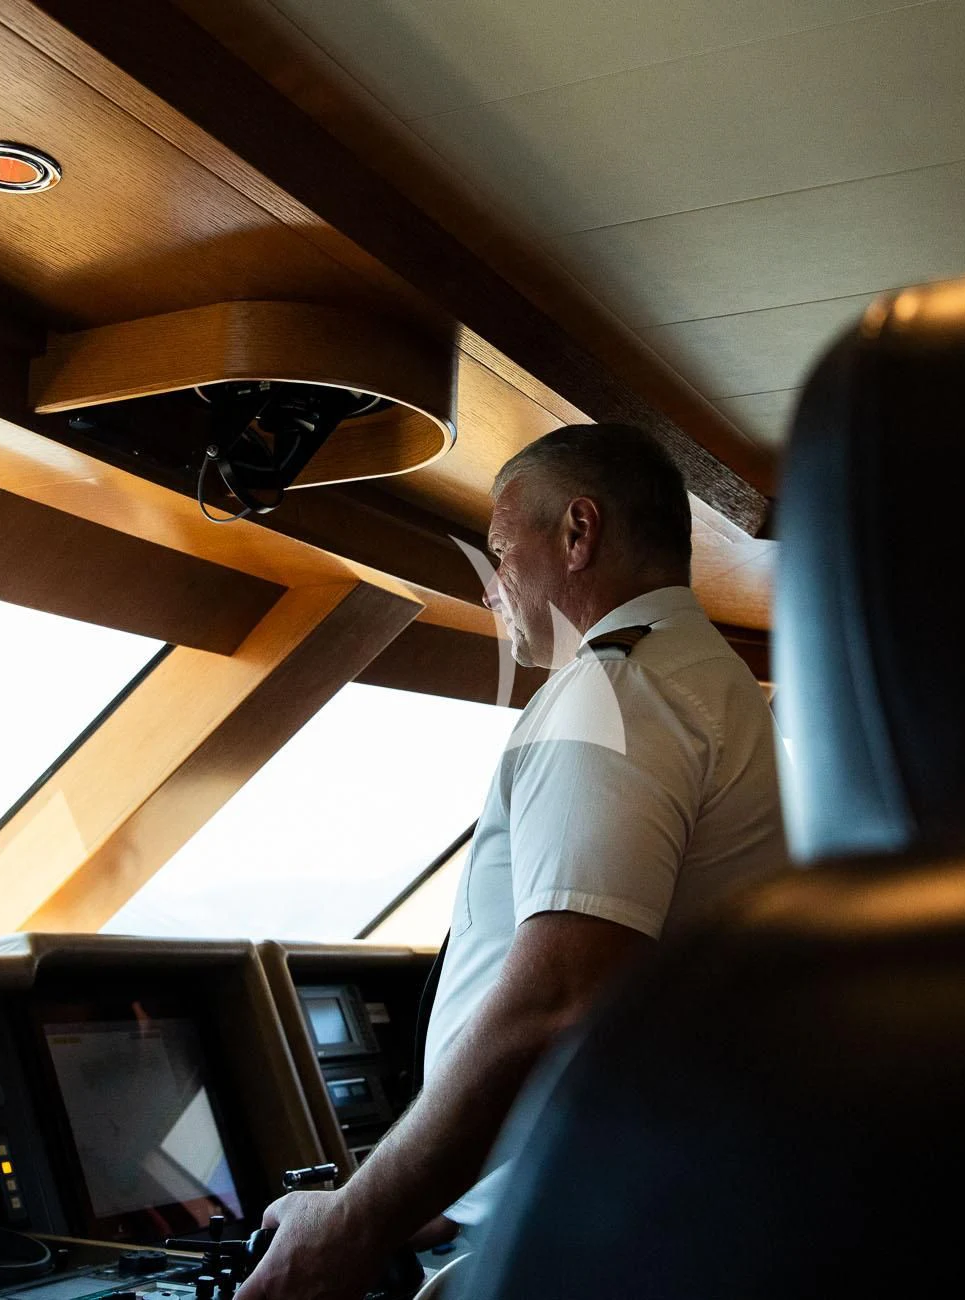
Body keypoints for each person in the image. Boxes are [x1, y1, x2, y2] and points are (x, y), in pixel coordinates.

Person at [240, 423, 786, 1299]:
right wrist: (429, 1193)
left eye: (502, 552)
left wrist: (352, 1224)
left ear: (578, 533)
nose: (494, 588)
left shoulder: (613, 692)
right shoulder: (709, 683)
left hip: (604, 1245)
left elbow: (559, 1003)